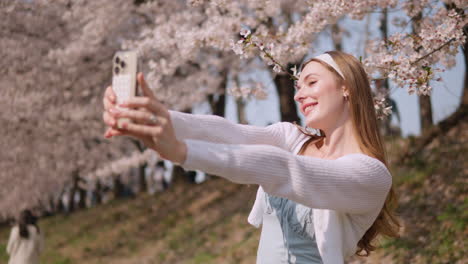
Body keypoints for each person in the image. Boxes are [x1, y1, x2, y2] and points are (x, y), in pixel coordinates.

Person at [102, 51, 401, 263]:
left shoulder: (371, 175)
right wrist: (155, 116)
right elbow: (230, 133)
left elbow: (284, 170)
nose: (298, 95)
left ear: (346, 86)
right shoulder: (291, 139)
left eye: (311, 83)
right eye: (297, 87)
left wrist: (182, 152)